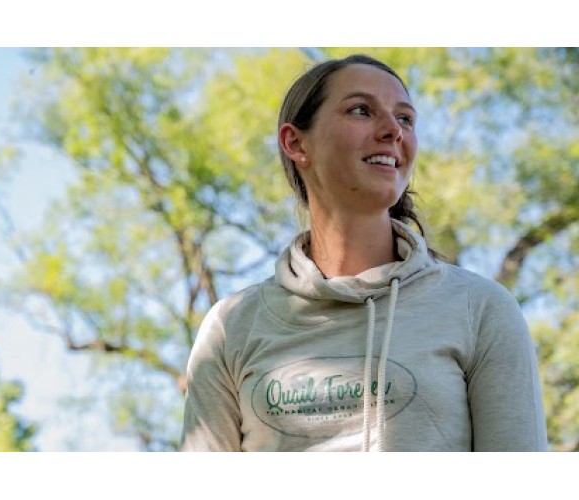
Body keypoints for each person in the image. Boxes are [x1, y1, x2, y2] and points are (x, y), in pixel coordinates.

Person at [180, 54, 548, 451]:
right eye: (361, 110)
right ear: (296, 143)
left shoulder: (480, 308)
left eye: (406, 118)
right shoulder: (231, 327)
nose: (393, 130)